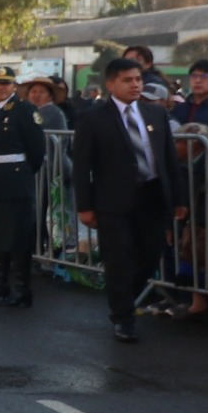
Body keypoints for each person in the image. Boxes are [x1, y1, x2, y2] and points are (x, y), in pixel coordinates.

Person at [72, 57, 186, 344]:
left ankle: (124, 295)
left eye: (138, 79)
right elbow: (81, 165)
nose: (135, 85)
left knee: (149, 255)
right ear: (111, 84)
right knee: (119, 259)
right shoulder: (93, 117)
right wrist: (84, 206)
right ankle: (123, 317)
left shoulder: (155, 114)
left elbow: (169, 161)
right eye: (127, 80)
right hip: (113, 201)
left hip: (151, 197)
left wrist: (178, 199)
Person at [0, 68, 46, 307]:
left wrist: (22, 173)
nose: (1, 88)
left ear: (14, 86)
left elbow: (37, 150)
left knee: (18, 237)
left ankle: (22, 289)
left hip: (15, 179)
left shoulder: (24, 110)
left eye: (6, 84)